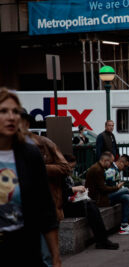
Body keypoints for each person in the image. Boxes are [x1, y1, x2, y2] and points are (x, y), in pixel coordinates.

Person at [0, 89, 61, 266]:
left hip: (24, 248)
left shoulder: (29, 154)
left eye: (15, 112)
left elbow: (45, 207)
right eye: (3, 111)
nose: (11, 117)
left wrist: (55, 257)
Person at [62, 154, 119, 250]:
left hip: (71, 202)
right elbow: (61, 193)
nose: (72, 170)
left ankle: (102, 240)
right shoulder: (59, 176)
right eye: (70, 167)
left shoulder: (67, 176)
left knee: (91, 205)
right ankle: (102, 240)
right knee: (90, 206)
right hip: (64, 207)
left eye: (73, 167)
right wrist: (74, 189)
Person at [85, 152, 129, 235]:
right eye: (110, 162)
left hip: (103, 197)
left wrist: (118, 188)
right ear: (105, 160)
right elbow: (103, 189)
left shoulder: (101, 168)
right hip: (99, 199)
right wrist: (117, 187)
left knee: (126, 197)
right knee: (126, 191)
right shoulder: (99, 170)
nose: (111, 164)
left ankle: (124, 226)